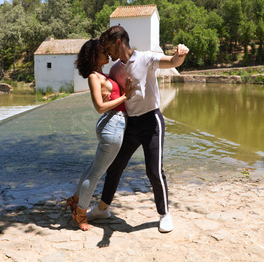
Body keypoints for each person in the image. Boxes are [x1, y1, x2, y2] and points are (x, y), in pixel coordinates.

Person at [87, 25, 189, 233]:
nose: (106, 52)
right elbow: (114, 92)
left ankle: (164, 214)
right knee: (115, 166)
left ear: (118, 42)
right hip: (131, 124)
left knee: (154, 171)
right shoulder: (116, 69)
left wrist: (180, 54)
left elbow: (171, 62)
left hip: (152, 121)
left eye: (107, 47)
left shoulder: (146, 58)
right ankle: (103, 209)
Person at [65, 38, 133, 231]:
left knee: (92, 169)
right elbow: (99, 107)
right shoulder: (94, 76)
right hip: (112, 127)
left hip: (113, 124)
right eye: (103, 51)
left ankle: (75, 200)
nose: (107, 53)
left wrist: (117, 95)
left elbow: (108, 100)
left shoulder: (103, 74)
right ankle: (81, 214)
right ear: (94, 55)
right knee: (95, 174)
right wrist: (124, 97)